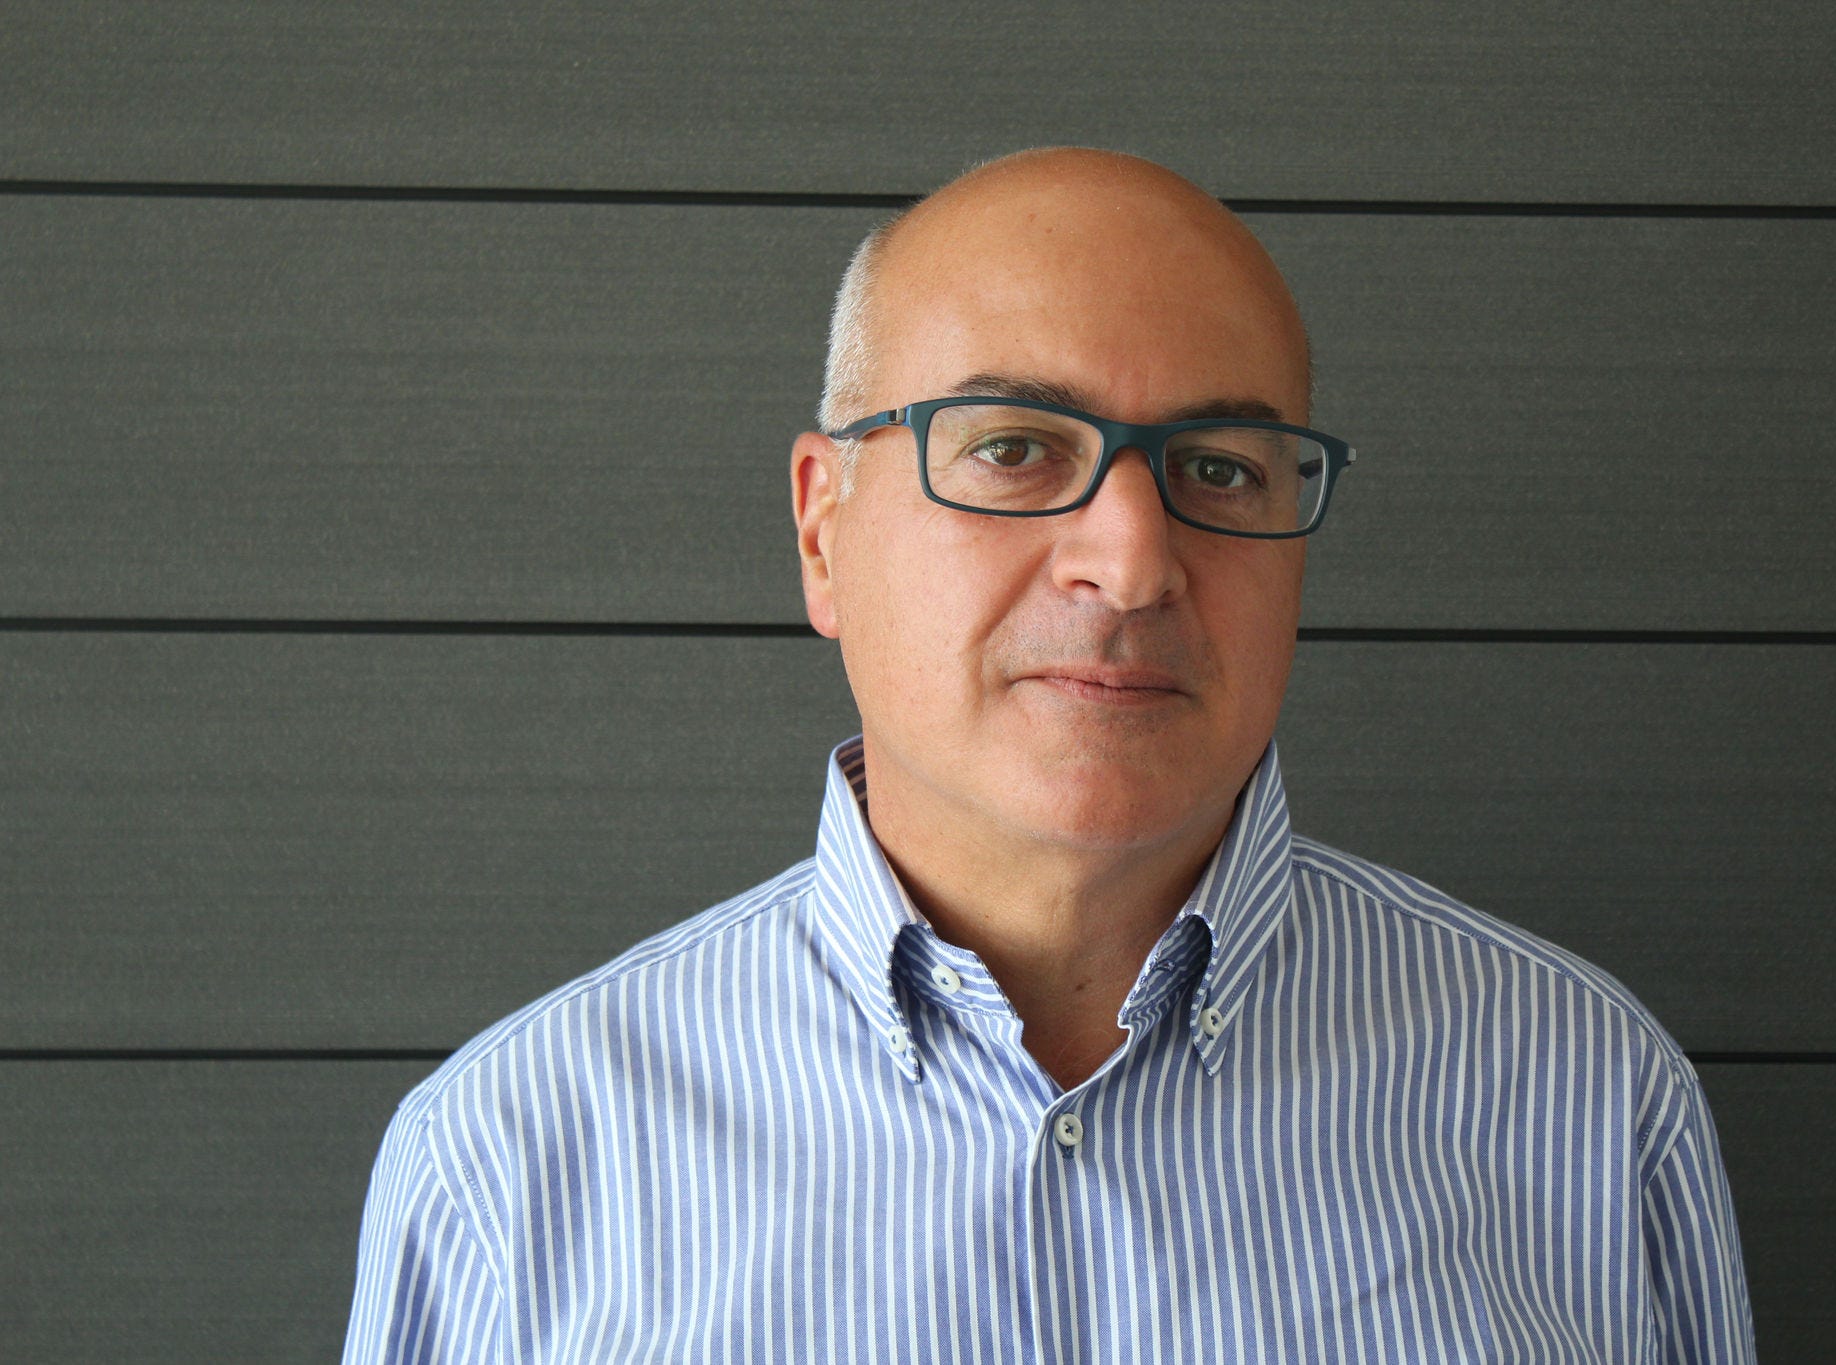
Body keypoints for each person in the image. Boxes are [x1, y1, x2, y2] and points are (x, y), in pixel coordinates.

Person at [343, 147, 1755, 1361]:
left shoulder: (1587, 1099)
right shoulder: (510, 1162)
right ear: (823, 529)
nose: (1131, 561)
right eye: (1016, 448)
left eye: (1220, 467)